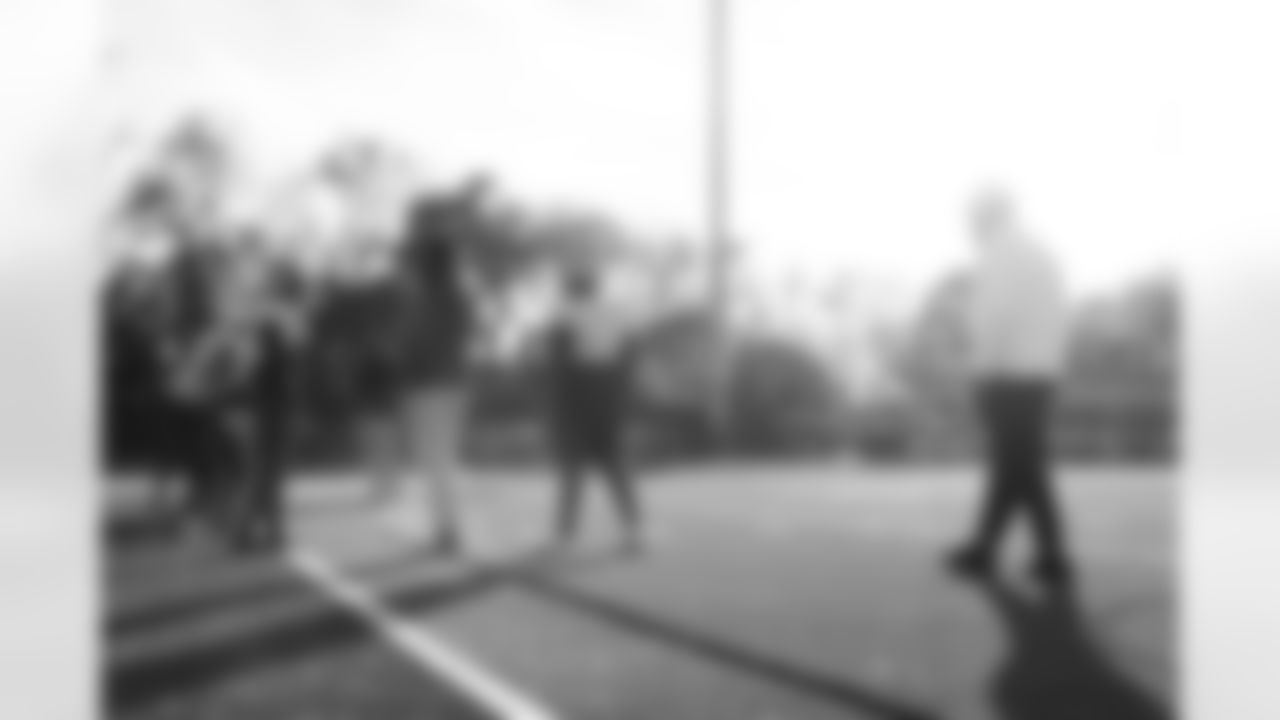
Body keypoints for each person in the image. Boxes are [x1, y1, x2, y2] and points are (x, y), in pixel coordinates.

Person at [946, 189, 1076, 589]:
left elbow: (995, 316)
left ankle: (1048, 557)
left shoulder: (1000, 254)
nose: (968, 227)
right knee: (1015, 466)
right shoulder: (1039, 252)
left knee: (1020, 467)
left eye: (972, 217)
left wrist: (981, 369)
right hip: (1040, 370)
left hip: (1008, 372)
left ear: (986, 216)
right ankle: (994, 550)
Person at [390, 195, 480, 555]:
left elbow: (413, 342)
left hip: (429, 384)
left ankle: (447, 531)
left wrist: (404, 362)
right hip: (454, 382)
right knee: (444, 460)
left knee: (435, 462)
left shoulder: (426, 297)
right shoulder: (459, 294)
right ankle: (447, 529)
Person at [539, 264, 646, 554]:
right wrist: (623, 393)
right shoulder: (618, 311)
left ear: (570, 286)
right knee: (616, 462)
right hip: (611, 388)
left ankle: (565, 536)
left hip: (577, 388)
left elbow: (559, 360)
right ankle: (633, 531)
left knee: (572, 466)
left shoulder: (564, 312)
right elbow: (631, 353)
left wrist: (556, 405)